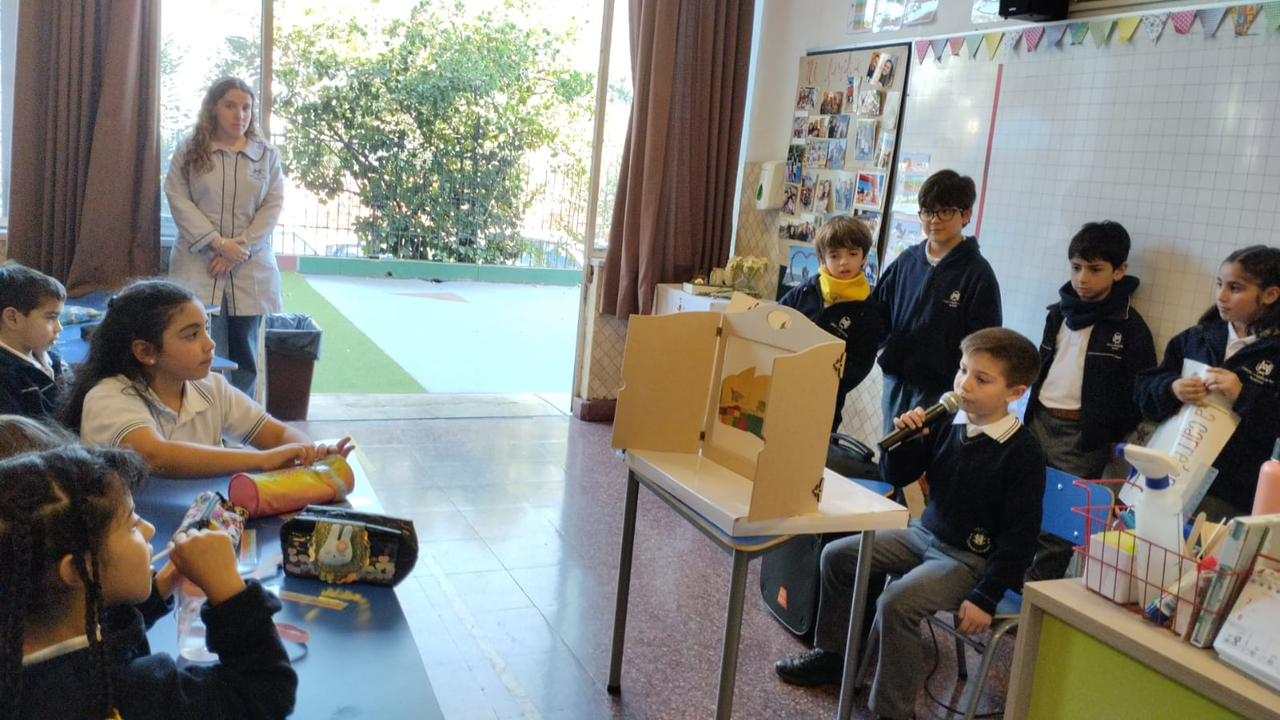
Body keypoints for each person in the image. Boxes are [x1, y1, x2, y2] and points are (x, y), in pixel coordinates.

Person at [775, 328, 1046, 720]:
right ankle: (834, 657)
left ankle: (894, 710)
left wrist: (985, 598)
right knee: (837, 556)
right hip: (925, 534)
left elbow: (1021, 540)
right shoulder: (948, 422)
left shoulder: (1023, 453)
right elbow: (897, 475)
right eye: (963, 370)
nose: (964, 384)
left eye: (982, 379)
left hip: (970, 560)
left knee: (896, 603)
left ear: (1016, 393)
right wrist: (908, 440)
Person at [0, 446, 297, 719]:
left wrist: (158, 589)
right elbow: (265, 691)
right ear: (80, 569)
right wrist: (229, 591)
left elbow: (93, 626)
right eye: (132, 523)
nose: (150, 530)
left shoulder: (21, 658)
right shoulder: (135, 695)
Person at [60, 279, 351, 478]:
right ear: (146, 351)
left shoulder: (212, 388)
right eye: (191, 335)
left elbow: (277, 435)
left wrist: (308, 453)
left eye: (206, 330)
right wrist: (263, 459)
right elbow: (154, 455)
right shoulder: (109, 395)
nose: (210, 344)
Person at [1134, 245, 1280, 519]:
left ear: (1270, 295)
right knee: (1142, 540)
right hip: (1171, 470)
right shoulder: (1197, 337)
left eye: (1235, 288)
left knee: (1199, 545)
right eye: (1219, 284)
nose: (1221, 296)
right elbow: (1144, 390)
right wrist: (1171, 388)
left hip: (1231, 491)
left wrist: (1243, 395)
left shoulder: (1274, 352)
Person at [165, 76, 284, 398]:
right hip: (199, 264)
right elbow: (177, 197)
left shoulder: (267, 155)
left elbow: (272, 206)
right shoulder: (190, 151)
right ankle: (204, 419)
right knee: (200, 353)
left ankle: (243, 422)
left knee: (245, 356)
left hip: (250, 266)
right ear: (214, 108)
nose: (239, 115)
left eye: (246, 108)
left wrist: (238, 249)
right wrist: (217, 243)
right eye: (230, 106)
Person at [1024, 221, 1156, 479]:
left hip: (1083, 437)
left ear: (1119, 271)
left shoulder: (1130, 326)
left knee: (1069, 499)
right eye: (1076, 268)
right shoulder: (1057, 314)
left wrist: (1113, 434)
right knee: (1024, 489)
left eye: (1095, 270)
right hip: (1038, 420)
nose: (1082, 279)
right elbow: (1043, 366)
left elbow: (1139, 390)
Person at [873, 169, 1002, 433]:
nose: (934, 220)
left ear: (965, 215)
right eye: (927, 211)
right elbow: (878, 313)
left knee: (925, 453)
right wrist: (881, 348)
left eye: (944, 211)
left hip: (940, 390)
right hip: (896, 379)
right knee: (891, 447)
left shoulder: (977, 273)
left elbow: (985, 342)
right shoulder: (907, 260)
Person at [779, 215, 886, 432]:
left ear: (864, 257)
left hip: (824, 403)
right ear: (822, 258)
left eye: (852, 254)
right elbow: (776, 321)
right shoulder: (805, 290)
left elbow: (860, 365)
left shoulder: (868, 311)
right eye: (835, 256)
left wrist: (824, 377)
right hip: (783, 388)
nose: (844, 262)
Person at [0, 263, 68, 421]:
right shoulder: (6, 378)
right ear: (12, 318)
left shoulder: (49, 355)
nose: (59, 328)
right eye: (51, 318)